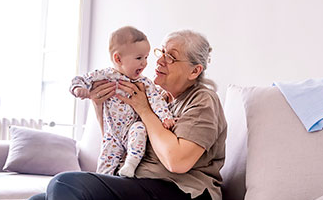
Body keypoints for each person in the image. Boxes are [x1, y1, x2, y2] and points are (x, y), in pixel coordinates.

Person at [29, 29, 227, 200]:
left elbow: (177, 162)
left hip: (182, 191)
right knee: (39, 198)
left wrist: (143, 109)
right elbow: (119, 139)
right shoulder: (158, 97)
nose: (159, 60)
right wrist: (98, 105)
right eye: (161, 52)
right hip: (139, 183)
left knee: (65, 183)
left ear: (195, 71)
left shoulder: (202, 100)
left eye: (171, 57)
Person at [69, 26, 174, 177]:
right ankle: (101, 182)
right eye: (139, 58)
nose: (144, 63)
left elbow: (157, 100)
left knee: (139, 129)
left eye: (146, 57)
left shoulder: (144, 83)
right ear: (118, 59)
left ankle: (130, 164)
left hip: (131, 129)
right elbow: (80, 79)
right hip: (112, 133)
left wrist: (165, 117)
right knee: (105, 163)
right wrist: (79, 89)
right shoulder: (105, 75)